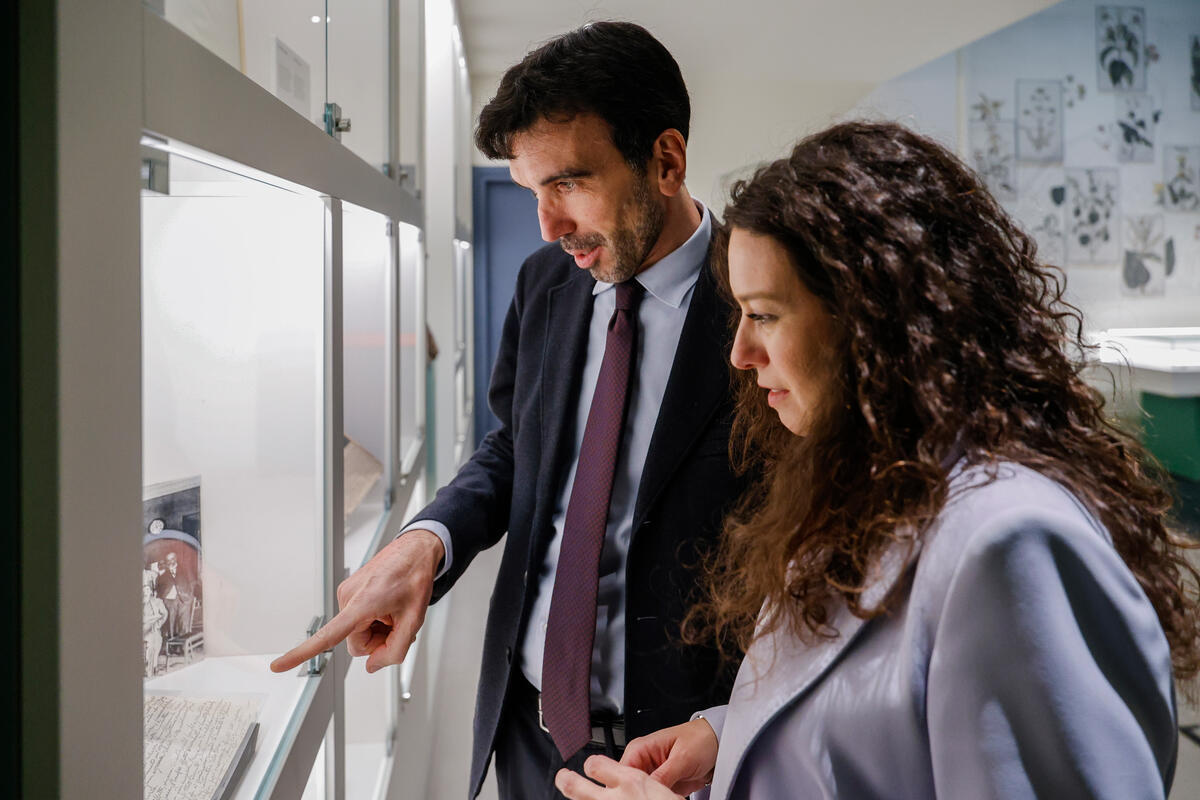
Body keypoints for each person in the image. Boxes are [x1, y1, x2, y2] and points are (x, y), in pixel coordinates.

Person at [554, 120, 1200, 800]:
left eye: (764, 315)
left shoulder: (1012, 542)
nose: (739, 354)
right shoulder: (862, 484)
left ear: (872, 322)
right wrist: (733, 736)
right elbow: (876, 723)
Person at [271, 21, 746, 799]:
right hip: (527, 732)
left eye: (569, 184)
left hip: (678, 760)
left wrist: (736, 730)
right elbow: (515, 450)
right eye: (532, 192)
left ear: (666, 161)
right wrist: (428, 540)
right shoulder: (546, 283)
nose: (549, 226)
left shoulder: (760, 308)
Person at [142, 570, 168, 677]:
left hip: (153, 629)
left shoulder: (157, 602)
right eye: (143, 590)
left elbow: (164, 614)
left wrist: (157, 624)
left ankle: (152, 667)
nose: (145, 592)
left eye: (147, 590)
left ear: (151, 591)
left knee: (153, 641)